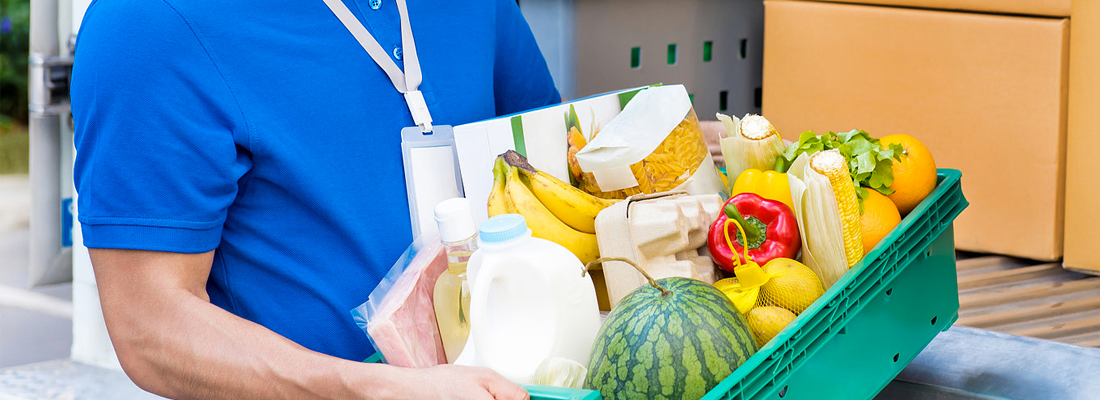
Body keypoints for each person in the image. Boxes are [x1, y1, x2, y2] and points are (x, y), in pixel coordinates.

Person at [69, 0, 560, 398]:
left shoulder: (481, 8)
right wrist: (377, 391)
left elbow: (555, 184)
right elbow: (150, 326)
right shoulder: (148, 22)